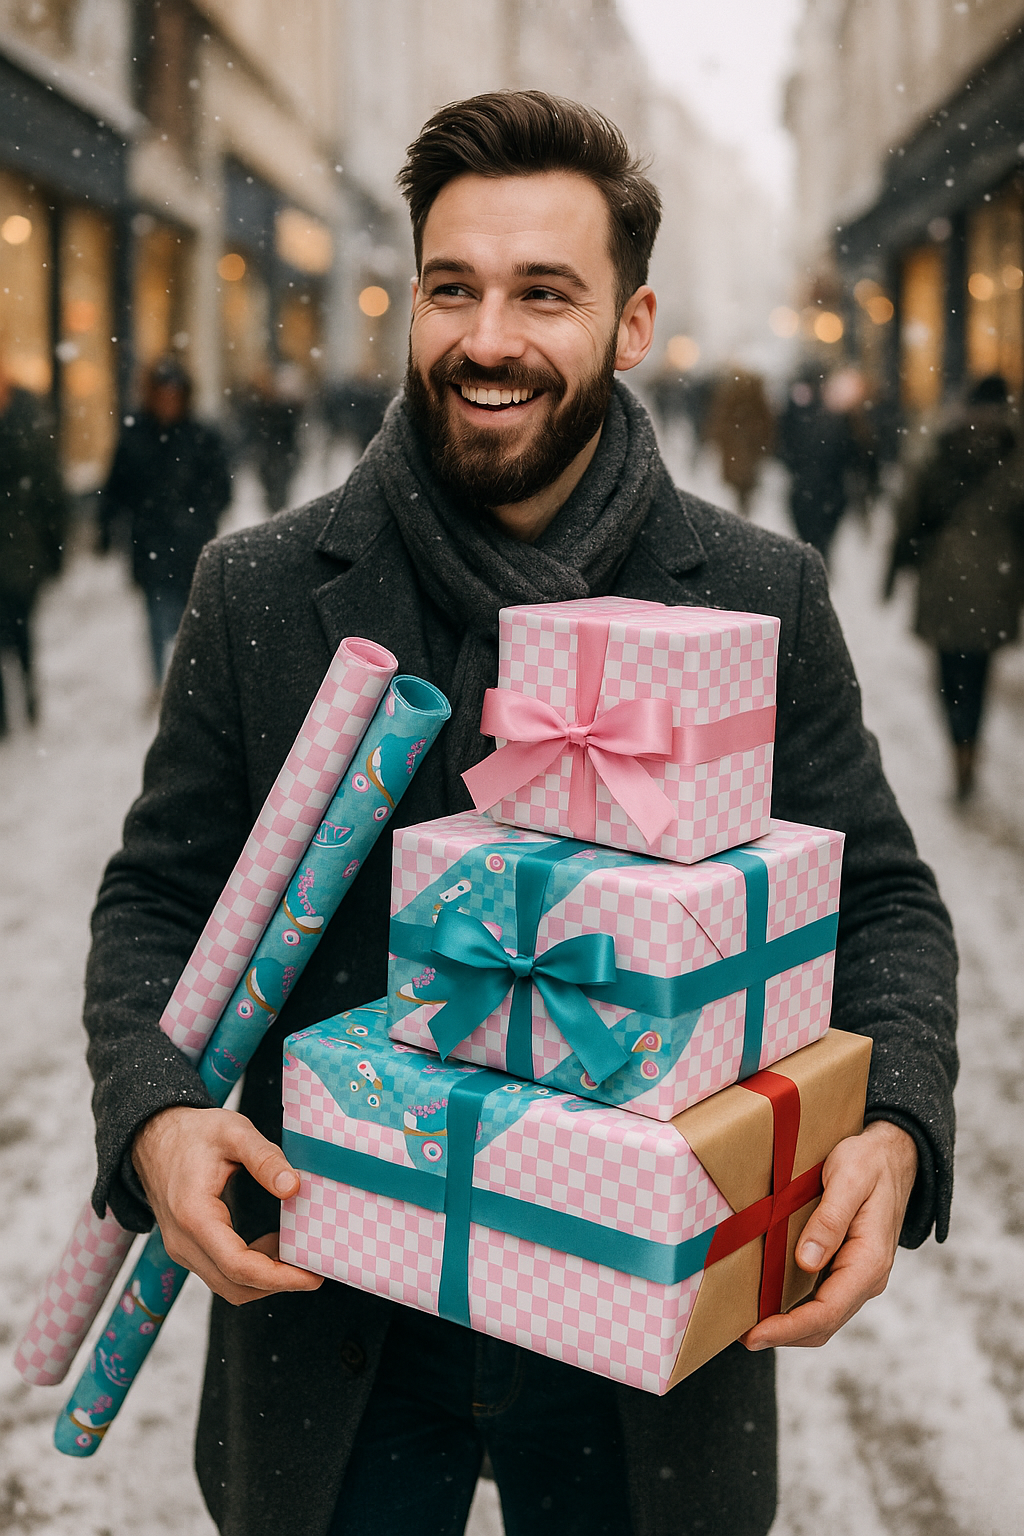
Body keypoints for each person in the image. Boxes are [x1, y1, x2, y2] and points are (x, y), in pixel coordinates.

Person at [82, 94, 957, 1536]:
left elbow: (881, 902)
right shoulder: (262, 593)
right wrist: (159, 1110)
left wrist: (898, 1122)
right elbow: (158, 904)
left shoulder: (756, 597)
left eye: (544, 293)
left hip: (650, 1343)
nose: (489, 338)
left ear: (632, 324)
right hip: (336, 1309)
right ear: (411, 302)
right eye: (452, 288)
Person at [889, 373, 1024, 800]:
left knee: (949, 673)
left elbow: (911, 510)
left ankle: (957, 746)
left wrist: (895, 567)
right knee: (979, 674)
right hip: (994, 579)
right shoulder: (1014, 452)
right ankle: (970, 748)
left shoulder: (943, 442)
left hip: (944, 577)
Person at [100, 356, 232, 690]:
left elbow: (221, 488)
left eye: (174, 394)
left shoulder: (200, 436)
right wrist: (105, 528)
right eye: (162, 394)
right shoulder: (135, 435)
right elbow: (117, 487)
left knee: (190, 620)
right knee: (157, 617)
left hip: (191, 546)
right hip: (150, 544)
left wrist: (200, 518)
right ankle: (161, 685)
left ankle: (186, 683)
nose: (167, 402)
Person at [0, 363, 68, 735]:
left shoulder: (30, 419)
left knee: (22, 630)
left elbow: (50, 488)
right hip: (17, 545)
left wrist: (55, 547)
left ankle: (27, 695)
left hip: (22, 549)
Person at [776, 369, 856, 565]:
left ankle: (815, 565)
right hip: (821, 491)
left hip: (813, 490)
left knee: (812, 541)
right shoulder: (836, 422)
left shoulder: (834, 422)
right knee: (818, 541)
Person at [702, 366, 775, 515]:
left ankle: (742, 510)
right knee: (745, 486)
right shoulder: (756, 396)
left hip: (738, 449)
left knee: (740, 485)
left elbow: (719, 420)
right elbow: (768, 425)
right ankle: (743, 510)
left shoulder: (731, 394)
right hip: (747, 450)